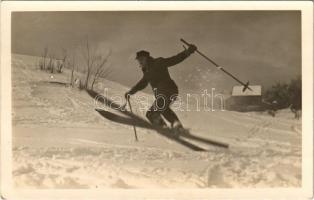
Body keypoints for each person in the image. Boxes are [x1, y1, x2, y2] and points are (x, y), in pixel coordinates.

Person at [125, 44, 197, 132]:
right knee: (162, 110)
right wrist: (131, 92)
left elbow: (174, 60)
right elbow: (142, 84)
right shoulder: (147, 72)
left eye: (141, 59)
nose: (140, 62)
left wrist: (188, 52)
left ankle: (164, 127)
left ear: (147, 58)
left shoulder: (158, 62)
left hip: (168, 91)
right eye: (138, 60)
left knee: (152, 113)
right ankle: (177, 126)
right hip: (165, 94)